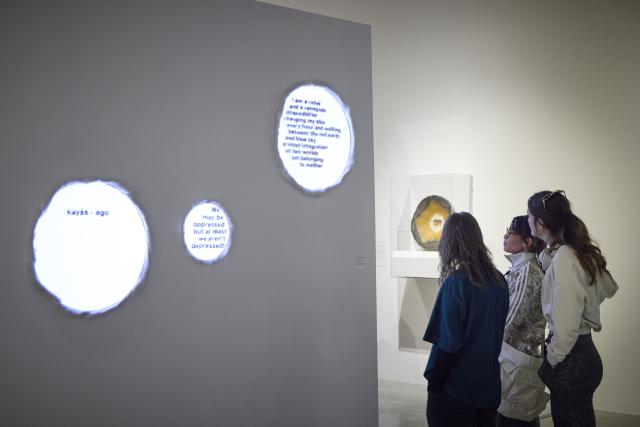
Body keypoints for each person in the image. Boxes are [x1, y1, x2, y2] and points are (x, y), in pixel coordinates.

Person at [527, 190, 618, 427]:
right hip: (582, 353)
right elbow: (607, 289)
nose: (527, 220)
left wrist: (552, 361)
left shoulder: (565, 257)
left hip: (571, 358)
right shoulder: (570, 251)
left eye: (529, 216)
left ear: (540, 222)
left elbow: (566, 325)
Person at [423, 212, 509, 427]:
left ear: (449, 242)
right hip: (488, 388)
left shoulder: (456, 283)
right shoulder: (499, 280)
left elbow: (448, 345)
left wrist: (434, 385)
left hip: (456, 391)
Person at [497, 216, 549, 427]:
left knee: (515, 419)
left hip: (516, 361)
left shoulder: (528, 271)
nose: (505, 236)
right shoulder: (521, 269)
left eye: (510, 233)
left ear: (527, 241)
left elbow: (512, 320)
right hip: (514, 360)